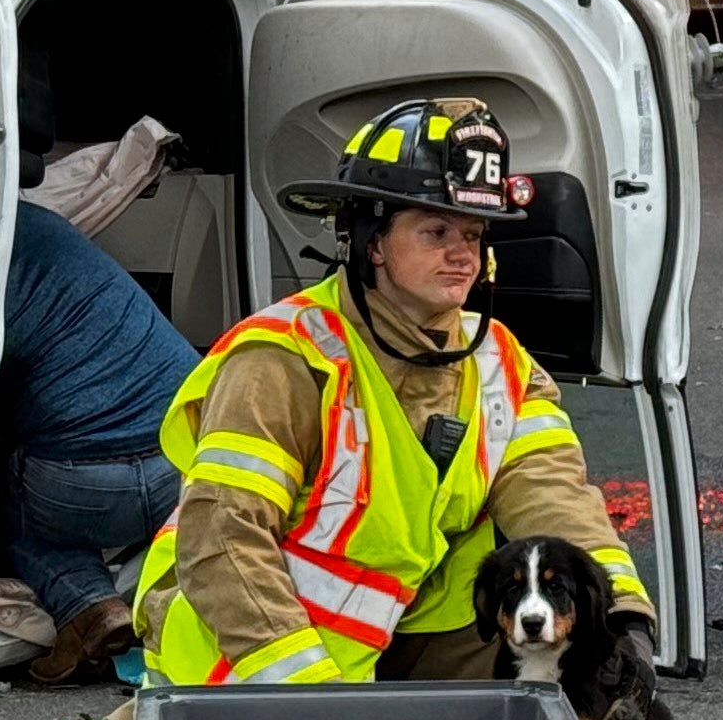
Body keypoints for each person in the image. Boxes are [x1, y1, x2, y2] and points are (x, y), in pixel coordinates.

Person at [131, 96, 652, 686]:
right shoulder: (282, 358)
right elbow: (222, 538)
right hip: (254, 664)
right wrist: (310, 695)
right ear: (372, 241)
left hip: (395, 648)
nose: (463, 255)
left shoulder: (498, 359)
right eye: (436, 230)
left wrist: (622, 615)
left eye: (474, 234)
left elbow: (554, 496)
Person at [0, 198, 203, 681]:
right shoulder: (45, 229)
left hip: (87, 484)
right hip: (187, 453)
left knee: (3, 498)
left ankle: (87, 606)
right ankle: (169, 609)